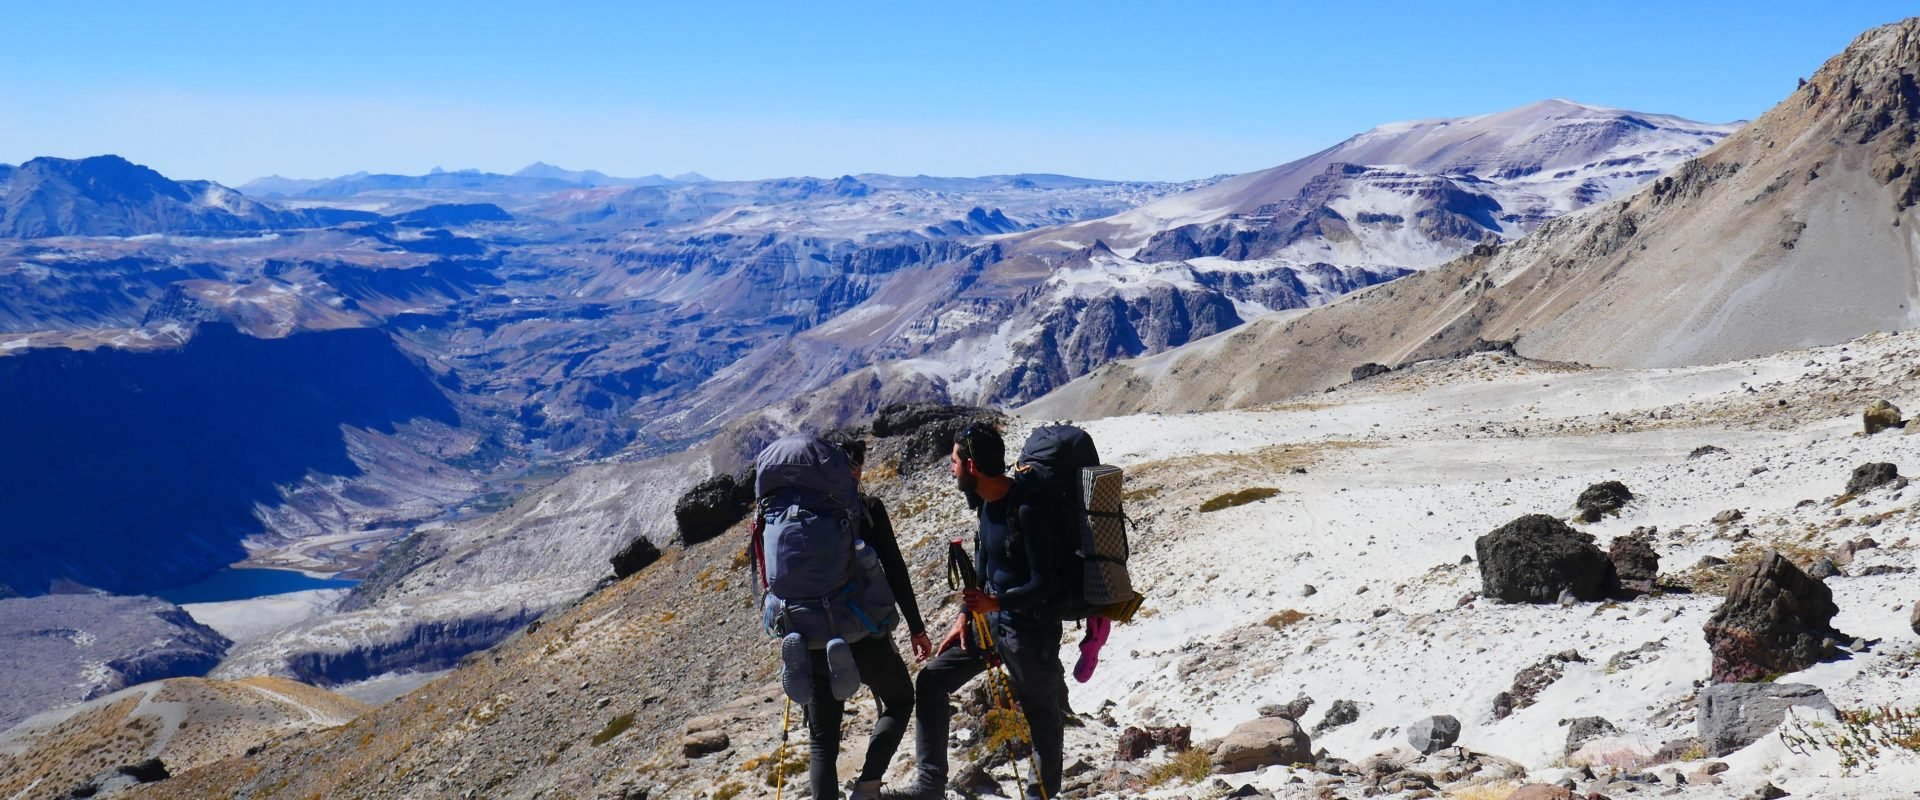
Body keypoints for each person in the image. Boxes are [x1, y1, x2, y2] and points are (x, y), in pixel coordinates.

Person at [887, 422, 1068, 800]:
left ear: (972, 465)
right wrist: (965, 617)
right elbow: (983, 573)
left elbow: (1045, 582)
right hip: (990, 623)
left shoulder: (1028, 508)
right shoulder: (986, 505)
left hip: (1029, 630)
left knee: (1043, 718)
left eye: (955, 461)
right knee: (932, 681)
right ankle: (929, 786)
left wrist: (997, 604)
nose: (951, 469)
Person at [803, 431, 933, 800]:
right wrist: (917, 628)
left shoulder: (795, 518)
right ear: (855, 468)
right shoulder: (867, 510)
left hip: (811, 638)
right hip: (864, 635)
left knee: (822, 741)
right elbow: (895, 569)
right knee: (899, 700)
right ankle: (868, 786)